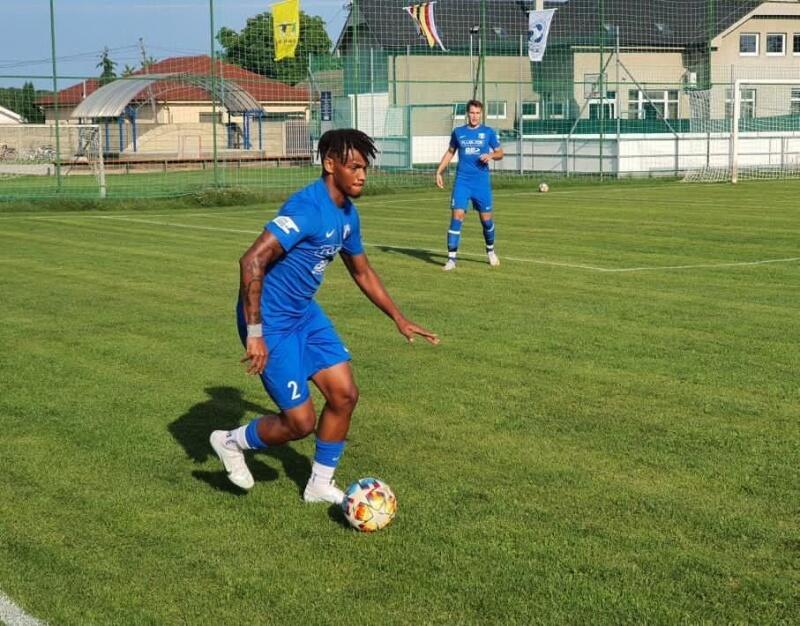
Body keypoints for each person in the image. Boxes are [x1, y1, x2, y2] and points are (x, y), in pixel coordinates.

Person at [210, 129, 439, 504]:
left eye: (365, 167)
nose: (362, 175)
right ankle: (229, 441)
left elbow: (362, 271)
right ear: (330, 164)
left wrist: (398, 317)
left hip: (304, 313)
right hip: (271, 321)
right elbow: (251, 260)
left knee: (345, 394)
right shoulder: (307, 208)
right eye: (354, 167)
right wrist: (255, 333)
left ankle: (318, 484)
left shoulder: (348, 213)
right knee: (299, 423)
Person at [435, 99, 504, 271]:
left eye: (477, 113)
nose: (474, 116)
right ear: (467, 114)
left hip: (481, 183)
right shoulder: (458, 132)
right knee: (457, 217)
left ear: (481, 114)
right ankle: (451, 259)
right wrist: (439, 171)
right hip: (462, 182)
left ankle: (490, 251)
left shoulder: (488, 132)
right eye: (472, 113)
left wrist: (491, 155)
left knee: (486, 221)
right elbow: (450, 153)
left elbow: (500, 152)